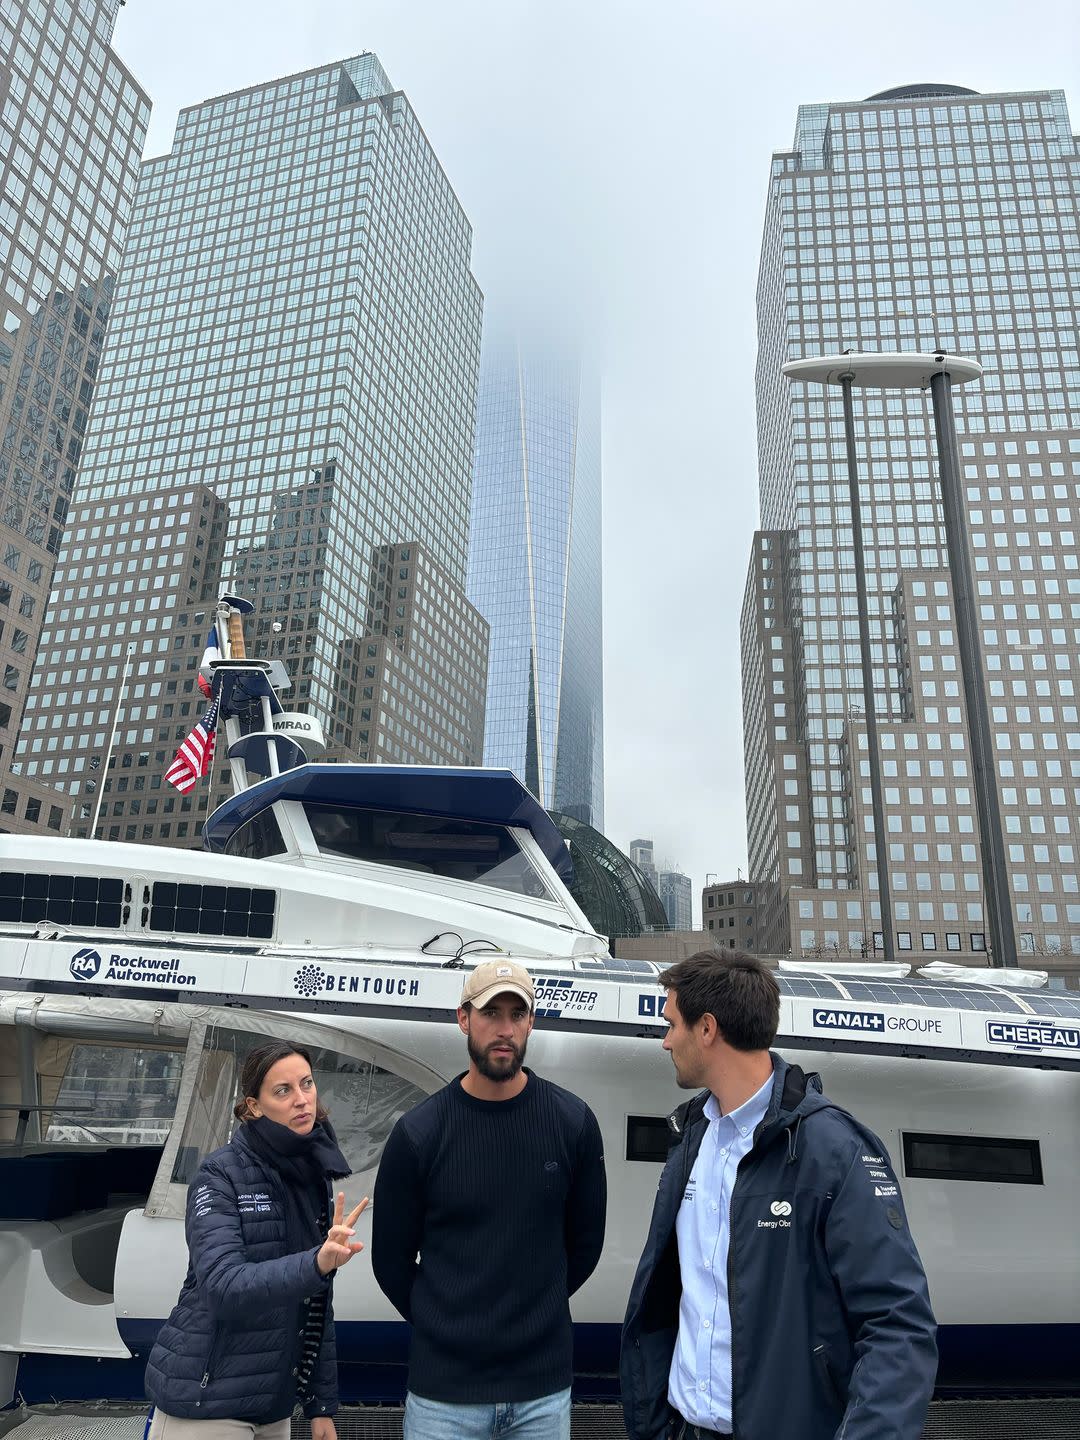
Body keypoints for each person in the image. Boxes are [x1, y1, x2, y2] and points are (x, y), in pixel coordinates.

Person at [621, 951, 937, 1440]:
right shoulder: (690, 1138)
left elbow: (898, 1326)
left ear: (707, 1029)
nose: (665, 1042)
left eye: (671, 1024)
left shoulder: (833, 1149)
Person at [372, 958, 607, 1440]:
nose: (504, 1029)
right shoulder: (419, 1135)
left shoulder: (572, 1124)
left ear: (531, 1022)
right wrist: (444, 1326)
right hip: (443, 1397)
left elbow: (585, 1246)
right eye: (490, 1013)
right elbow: (390, 1261)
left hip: (541, 1394)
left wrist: (534, 1312)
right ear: (463, 1019)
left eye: (516, 1015)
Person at [144, 1041, 368, 1439]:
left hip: (273, 1406)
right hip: (206, 1404)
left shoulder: (312, 1173)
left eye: (307, 1084)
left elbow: (316, 1306)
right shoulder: (220, 1174)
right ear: (254, 1106)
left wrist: (320, 1406)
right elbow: (222, 1286)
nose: (302, 1100)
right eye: (283, 1091)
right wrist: (316, 1263)